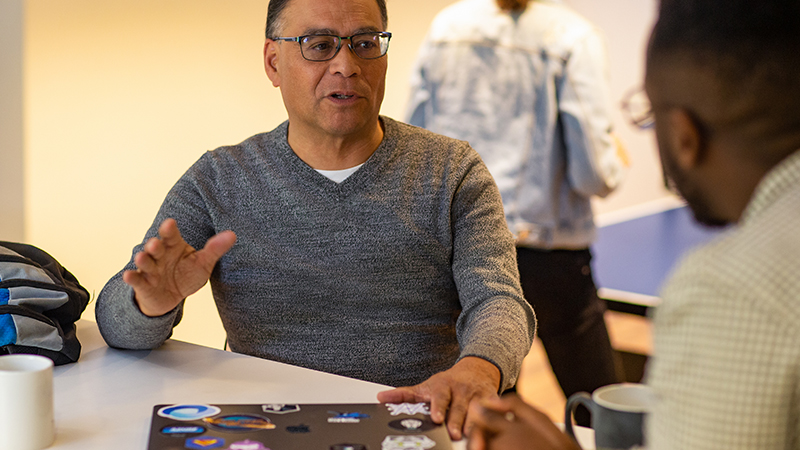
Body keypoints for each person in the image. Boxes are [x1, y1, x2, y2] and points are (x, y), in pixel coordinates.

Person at [94, 0, 536, 440]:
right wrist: (152, 303)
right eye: (319, 45)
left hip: (415, 420)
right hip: (263, 425)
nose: (346, 65)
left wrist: (479, 368)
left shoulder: (452, 170)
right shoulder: (218, 179)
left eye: (365, 43)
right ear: (273, 62)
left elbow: (499, 303)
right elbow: (116, 322)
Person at [467, 0, 800, 448]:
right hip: (556, 252)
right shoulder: (572, 35)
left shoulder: (729, 286)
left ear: (684, 135)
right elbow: (594, 172)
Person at [406, 0, 627, 416]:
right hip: (548, 255)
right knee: (600, 409)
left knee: (491, 408)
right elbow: (594, 174)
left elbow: (418, 143)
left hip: (461, 248)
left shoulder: (446, 27)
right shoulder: (571, 37)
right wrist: (618, 161)